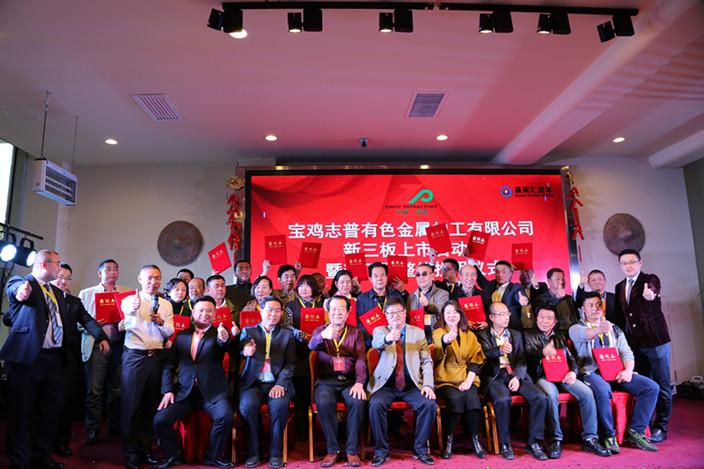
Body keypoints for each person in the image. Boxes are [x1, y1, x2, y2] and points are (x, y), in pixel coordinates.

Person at [1, 250, 68, 469]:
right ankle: (19, 461)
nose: (60, 268)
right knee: (21, 412)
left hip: (54, 359)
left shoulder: (56, 292)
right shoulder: (22, 282)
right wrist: (21, 292)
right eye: (57, 263)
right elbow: (16, 291)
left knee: (49, 412)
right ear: (44, 264)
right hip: (28, 359)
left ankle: (42, 456)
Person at [569, 292, 659, 453]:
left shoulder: (615, 329)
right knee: (602, 390)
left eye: (598, 305)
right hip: (592, 372)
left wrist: (628, 370)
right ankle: (608, 435)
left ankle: (636, 431)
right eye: (590, 305)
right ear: (583, 309)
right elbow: (585, 335)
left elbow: (626, 352)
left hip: (616, 372)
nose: (595, 308)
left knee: (651, 387)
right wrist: (599, 329)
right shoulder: (576, 327)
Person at [153, 296, 235, 469]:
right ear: (193, 312)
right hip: (185, 392)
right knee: (160, 420)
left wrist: (225, 338)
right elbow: (169, 365)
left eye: (209, 310)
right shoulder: (182, 335)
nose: (205, 314)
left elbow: (227, 346)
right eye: (201, 310)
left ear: (215, 314)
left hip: (212, 393)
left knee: (225, 416)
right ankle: (172, 456)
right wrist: (168, 390)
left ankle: (213, 456)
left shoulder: (219, 334)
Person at [523, 306, 611, 458]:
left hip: (563, 375)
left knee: (587, 393)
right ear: (536, 319)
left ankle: (590, 438)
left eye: (549, 318)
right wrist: (542, 353)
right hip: (542, 377)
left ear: (555, 321)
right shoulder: (527, 335)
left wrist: (573, 372)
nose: (544, 321)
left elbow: (571, 359)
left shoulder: (560, 337)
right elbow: (526, 357)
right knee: (551, 394)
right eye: (541, 317)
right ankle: (555, 439)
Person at [367, 297, 437, 467]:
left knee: (429, 404)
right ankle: (381, 451)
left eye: (398, 312)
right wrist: (388, 338)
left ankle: (421, 449)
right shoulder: (380, 330)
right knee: (375, 404)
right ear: (386, 316)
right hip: (386, 385)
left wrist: (428, 385)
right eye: (391, 313)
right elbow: (376, 343)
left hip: (411, 384)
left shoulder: (418, 333)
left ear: (405, 313)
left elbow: (426, 360)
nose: (395, 316)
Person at [476, 302, 548, 460]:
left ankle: (534, 442)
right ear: (491, 317)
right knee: (502, 400)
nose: (506, 318)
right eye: (501, 314)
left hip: (514, 374)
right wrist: (499, 350)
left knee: (540, 397)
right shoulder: (482, 335)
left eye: (507, 314)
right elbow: (482, 355)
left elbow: (521, 359)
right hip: (495, 376)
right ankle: (505, 443)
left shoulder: (515, 335)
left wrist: (517, 376)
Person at [51, 263, 109, 459]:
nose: (63, 281)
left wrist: (101, 337)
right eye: (60, 276)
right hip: (43, 356)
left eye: (68, 278)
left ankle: (61, 443)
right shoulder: (40, 296)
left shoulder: (74, 302)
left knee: (67, 401)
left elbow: (88, 320)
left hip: (67, 356)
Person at [614, 249, 672, 443]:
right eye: (624, 263)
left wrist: (650, 293)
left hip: (656, 341)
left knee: (662, 385)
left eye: (632, 262)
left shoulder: (650, 280)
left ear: (640, 263)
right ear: (620, 266)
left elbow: (653, 290)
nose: (628, 266)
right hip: (635, 345)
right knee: (646, 386)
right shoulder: (620, 287)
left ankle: (661, 427)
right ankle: (645, 426)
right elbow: (621, 318)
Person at [120, 265, 175, 469]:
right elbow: (126, 312)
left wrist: (161, 322)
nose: (154, 282)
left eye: (157, 278)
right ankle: (130, 452)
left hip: (157, 358)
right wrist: (132, 306)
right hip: (135, 358)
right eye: (150, 278)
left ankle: (145, 449)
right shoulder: (130, 299)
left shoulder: (166, 304)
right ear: (140, 279)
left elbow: (170, 331)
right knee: (131, 406)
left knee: (151, 406)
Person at [308, 296, 367, 467]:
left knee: (357, 401)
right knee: (324, 401)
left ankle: (351, 450)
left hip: (349, 382)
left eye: (341, 308)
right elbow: (311, 346)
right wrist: (323, 336)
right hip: (326, 382)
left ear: (348, 313)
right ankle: (333, 450)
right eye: (333, 309)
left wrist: (359, 383)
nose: (337, 312)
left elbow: (361, 359)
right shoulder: (320, 330)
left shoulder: (356, 333)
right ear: (328, 312)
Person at [238, 296, 296, 469]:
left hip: (277, 383)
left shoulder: (287, 334)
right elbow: (242, 347)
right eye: (269, 310)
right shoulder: (249, 331)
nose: (273, 314)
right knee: (247, 407)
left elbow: (290, 364)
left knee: (279, 407)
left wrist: (280, 384)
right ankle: (254, 451)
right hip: (254, 383)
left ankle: (275, 452)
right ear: (261, 311)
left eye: (278, 310)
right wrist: (246, 350)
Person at [78, 258, 132, 445]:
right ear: (100, 273)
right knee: (94, 390)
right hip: (96, 346)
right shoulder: (86, 294)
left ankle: (114, 426)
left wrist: (126, 324)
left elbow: (135, 319)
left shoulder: (126, 293)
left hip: (119, 345)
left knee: (117, 390)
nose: (112, 272)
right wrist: (92, 325)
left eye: (115, 269)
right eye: (108, 269)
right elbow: (77, 323)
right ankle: (93, 429)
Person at [431, 300, 486, 460]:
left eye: (455, 312)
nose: (452, 315)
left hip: (467, 377)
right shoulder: (438, 332)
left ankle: (476, 440)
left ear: (461, 315)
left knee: (472, 398)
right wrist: (448, 338)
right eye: (448, 312)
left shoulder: (470, 335)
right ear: (443, 316)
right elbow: (440, 343)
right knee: (455, 398)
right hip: (445, 378)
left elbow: (476, 359)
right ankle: (448, 441)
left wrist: (468, 381)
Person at [283, 274, 324, 440]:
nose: (304, 289)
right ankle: (302, 428)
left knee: (313, 390)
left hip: (318, 352)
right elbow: (287, 326)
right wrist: (301, 334)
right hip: (298, 351)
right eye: (301, 285)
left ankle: (314, 426)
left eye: (308, 285)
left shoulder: (322, 305)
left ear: (313, 288)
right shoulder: (291, 305)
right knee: (300, 391)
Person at [470, 258, 530, 331]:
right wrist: (470, 260)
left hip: (510, 330)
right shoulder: (491, 285)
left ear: (510, 273)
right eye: (497, 272)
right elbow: (480, 278)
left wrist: (524, 300)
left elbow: (519, 294)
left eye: (503, 272)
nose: (500, 275)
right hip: (490, 330)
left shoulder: (515, 288)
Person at [355, 262, 407, 346]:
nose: (379, 278)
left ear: (386, 277)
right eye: (375, 276)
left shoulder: (396, 296)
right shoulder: (362, 299)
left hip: (395, 341)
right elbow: (360, 325)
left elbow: (403, 318)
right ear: (370, 279)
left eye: (382, 275)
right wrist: (376, 337)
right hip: (370, 343)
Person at [407, 263, 449, 342]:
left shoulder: (443, 294)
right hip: (416, 339)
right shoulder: (411, 297)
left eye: (424, 274)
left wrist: (429, 305)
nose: (421, 277)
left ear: (432, 276)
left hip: (435, 337)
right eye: (418, 275)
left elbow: (444, 312)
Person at [533, 268, 579, 333]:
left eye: (563, 279)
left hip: (571, 333)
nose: (561, 282)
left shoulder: (569, 298)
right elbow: (545, 313)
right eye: (557, 279)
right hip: (553, 334)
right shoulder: (540, 298)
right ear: (549, 281)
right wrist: (557, 298)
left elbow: (575, 317)